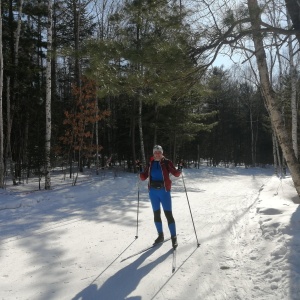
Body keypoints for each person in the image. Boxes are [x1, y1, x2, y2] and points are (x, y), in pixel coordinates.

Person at [139, 145, 182, 249]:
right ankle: (160, 235)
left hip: (164, 192)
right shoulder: (150, 163)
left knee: (168, 215)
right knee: (156, 214)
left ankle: (174, 237)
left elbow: (175, 174)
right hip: (153, 193)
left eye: (159, 152)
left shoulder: (167, 162)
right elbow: (143, 177)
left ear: (162, 153)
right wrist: (139, 169)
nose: (157, 154)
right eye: (155, 152)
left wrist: (180, 168)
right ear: (153, 154)